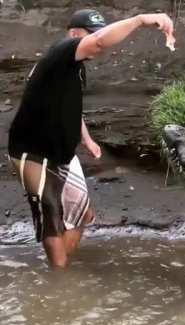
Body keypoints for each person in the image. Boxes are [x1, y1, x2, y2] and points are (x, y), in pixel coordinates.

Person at [8, 9, 176, 269]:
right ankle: (59, 282)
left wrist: (86, 138)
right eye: (94, 33)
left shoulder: (76, 69)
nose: (100, 41)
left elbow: (69, 104)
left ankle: (58, 268)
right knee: (51, 212)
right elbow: (99, 42)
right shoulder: (62, 50)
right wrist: (140, 20)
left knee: (83, 214)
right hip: (33, 152)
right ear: (74, 34)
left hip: (62, 152)